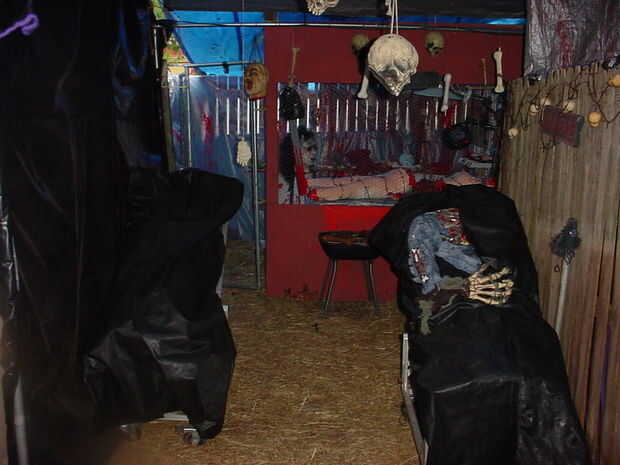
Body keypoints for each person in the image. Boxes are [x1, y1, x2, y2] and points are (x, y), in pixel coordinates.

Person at [369, 181, 591, 465]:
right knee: (479, 379)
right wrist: (461, 289)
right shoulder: (425, 226)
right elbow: (426, 289)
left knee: (540, 377)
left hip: (507, 315)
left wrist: (504, 293)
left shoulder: (493, 220)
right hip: (451, 318)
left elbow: (517, 278)